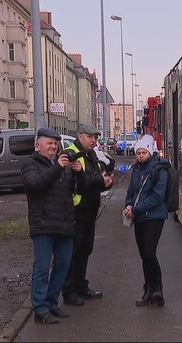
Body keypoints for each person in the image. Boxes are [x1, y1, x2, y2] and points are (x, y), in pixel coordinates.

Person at [21, 127, 77, 324]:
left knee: (62, 266)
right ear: (38, 146)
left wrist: (77, 173)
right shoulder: (30, 165)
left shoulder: (63, 166)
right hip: (43, 225)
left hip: (65, 224)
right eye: (49, 143)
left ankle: (52, 303)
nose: (54, 146)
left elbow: (71, 190)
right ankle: (40, 309)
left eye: (55, 143)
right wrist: (58, 168)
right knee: (42, 269)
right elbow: (36, 185)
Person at [62, 124, 114, 306]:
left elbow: (97, 176)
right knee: (74, 252)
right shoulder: (71, 153)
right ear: (80, 136)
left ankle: (81, 286)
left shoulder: (90, 154)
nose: (94, 140)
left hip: (90, 209)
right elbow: (80, 183)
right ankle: (69, 291)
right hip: (76, 210)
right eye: (90, 137)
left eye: (95, 137)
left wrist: (105, 182)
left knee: (85, 249)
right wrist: (100, 180)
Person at [123, 134, 170, 307]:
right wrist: (128, 205)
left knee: (149, 252)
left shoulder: (159, 169)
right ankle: (148, 290)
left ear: (150, 152)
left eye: (143, 152)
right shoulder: (136, 169)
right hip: (139, 216)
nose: (141, 155)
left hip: (155, 215)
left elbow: (158, 197)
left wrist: (135, 208)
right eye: (138, 153)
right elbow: (131, 192)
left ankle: (157, 289)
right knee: (144, 255)